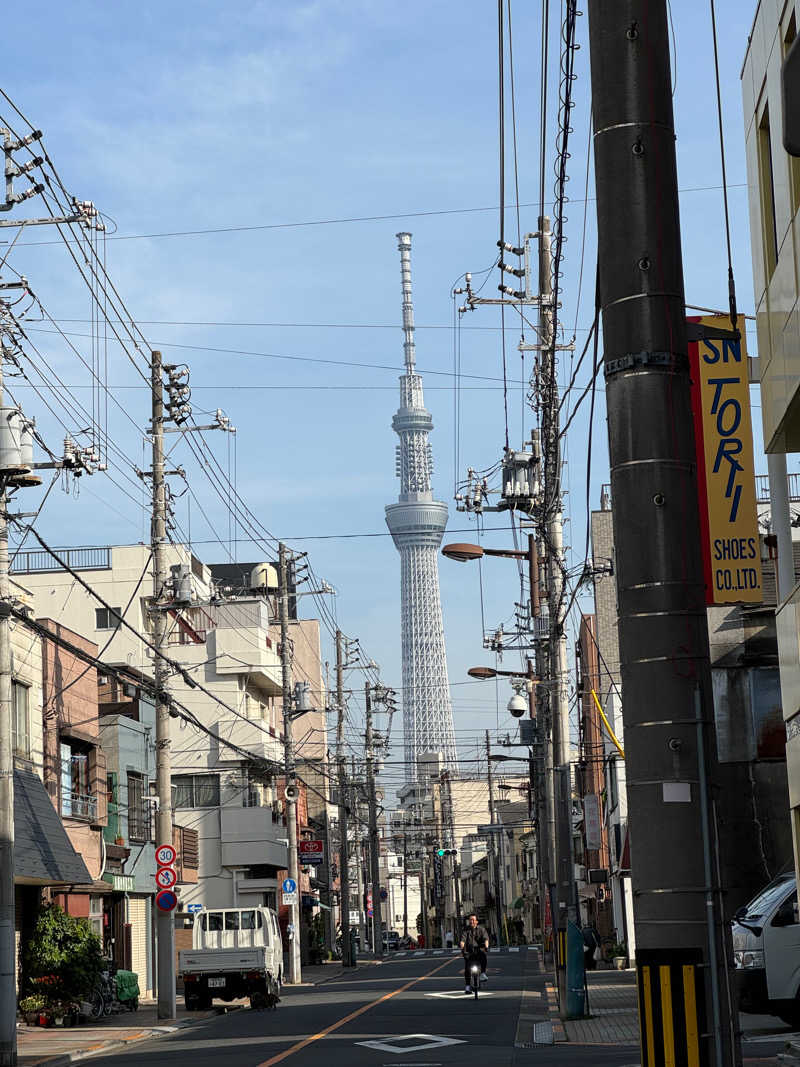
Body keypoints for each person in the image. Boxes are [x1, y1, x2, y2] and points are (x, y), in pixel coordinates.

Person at [459, 913, 489, 993]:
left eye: (473, 920)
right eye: (470, 920)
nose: (471, 921)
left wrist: (486, 947)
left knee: (483, 956)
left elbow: (486, 939)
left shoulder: (481, 929)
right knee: (467, 967)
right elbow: (462, 940)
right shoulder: (466, 930)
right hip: (469, 952)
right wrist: (462, 946)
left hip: (478, 951)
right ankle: (468, 986)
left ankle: (482, 973)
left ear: (476, 921)